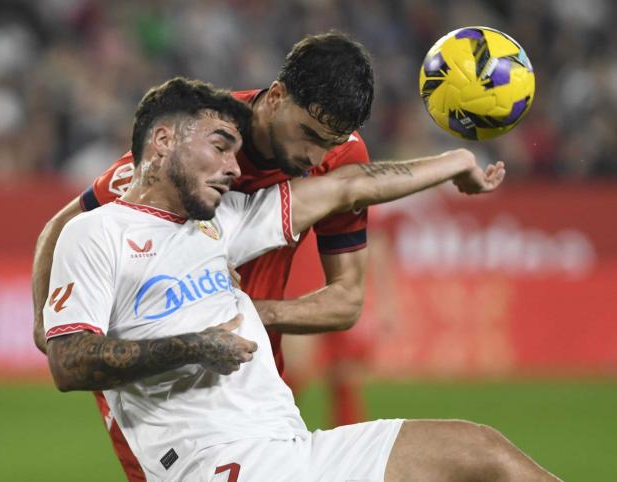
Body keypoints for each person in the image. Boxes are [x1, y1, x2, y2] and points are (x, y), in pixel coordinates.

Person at [44, 76, 561, 482]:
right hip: (214, 463)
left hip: (291, 447)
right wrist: (197, 345)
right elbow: (68, 363)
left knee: (485, 452)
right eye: (220, 147)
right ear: (162, 141)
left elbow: (347, 188)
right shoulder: (96, 233)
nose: (233, 167)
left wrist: (455, 161)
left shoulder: (225, 221)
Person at [33, 32, 375, 478]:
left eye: (328, 143)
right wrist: (45, 323)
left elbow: (347, 299)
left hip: (253, 370)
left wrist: (250, 315)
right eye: (308, 134)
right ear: (276, 97)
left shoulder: (341, 155)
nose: (314, 157)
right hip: (162, 387)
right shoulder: (203, 136)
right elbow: (62, 224)